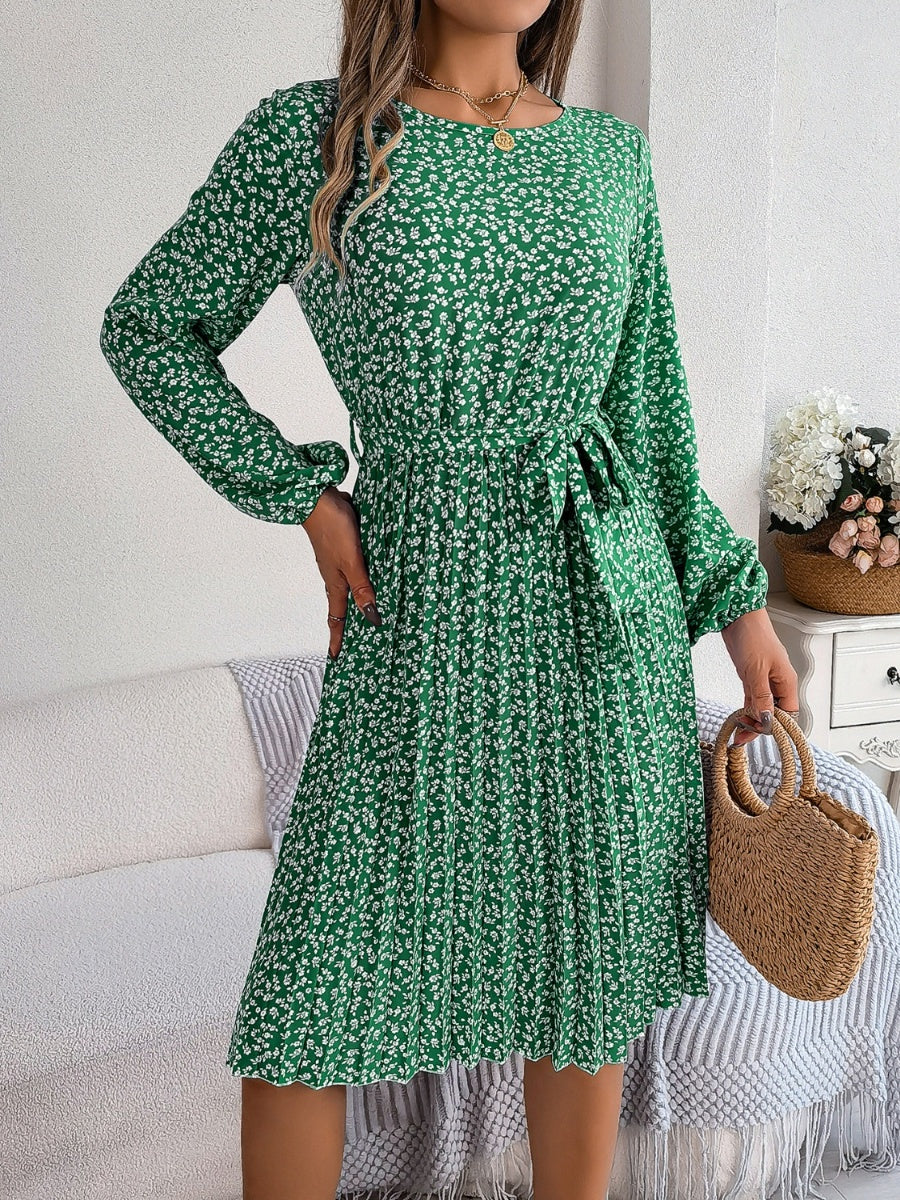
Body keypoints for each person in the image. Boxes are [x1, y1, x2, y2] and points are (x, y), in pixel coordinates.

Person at [99, 2, 800, 1197]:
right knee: (308, 1007)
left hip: (605, 631)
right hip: (418, 623)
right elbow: (150, 327)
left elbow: (649, 419)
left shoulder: (609, 159)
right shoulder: (317, 141)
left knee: (584, 985)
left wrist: (741, 611)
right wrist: (306, 498)